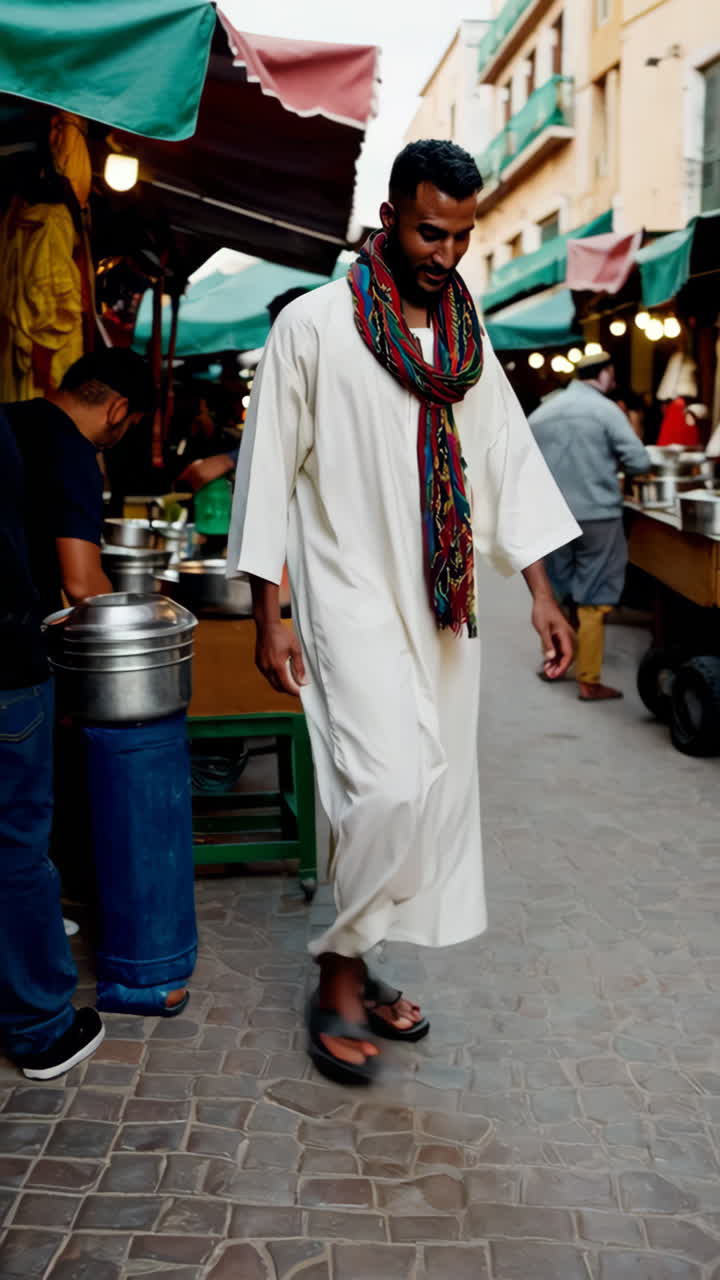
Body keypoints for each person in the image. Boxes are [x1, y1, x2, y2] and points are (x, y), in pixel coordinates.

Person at [227, 139, 579, 1085]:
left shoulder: (466, 341)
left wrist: (543, 593)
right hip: (347, 601)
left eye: (464, 236)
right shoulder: (312, 326)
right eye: (432, 232)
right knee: (379, 789)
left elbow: (505, 461)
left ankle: (363, 955)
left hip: (441, 610)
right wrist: (272, 611)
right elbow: (267, 476)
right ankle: (338, 973)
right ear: (390, 216)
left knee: (421, 797)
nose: (448, 254)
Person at [0, 407, 105, 1078]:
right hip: (5, 663)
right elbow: (78, 579)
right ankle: (41, 1027)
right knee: (14, 844)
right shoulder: (48, 442)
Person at [529, 350, 652, 702]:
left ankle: (554, 661)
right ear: (605, 374)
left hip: (553, 516)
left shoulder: (544, 410)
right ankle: (588, 679)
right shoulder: (605, 410)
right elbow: (639, 460)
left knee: (557, 592)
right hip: (598, 516)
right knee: (594, 595)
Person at [5, 348, 156, 616]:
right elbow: (83, 587)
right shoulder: (75, 452)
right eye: (130, 427)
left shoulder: (8, 417)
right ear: (118, 411)